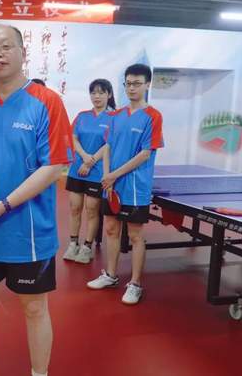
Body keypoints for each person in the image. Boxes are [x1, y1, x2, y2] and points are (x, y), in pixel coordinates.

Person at [0, 25, 73, 376]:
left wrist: (5, 204)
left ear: (23, 51)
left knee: (34, 308)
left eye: (5, 46)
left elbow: (54, 166)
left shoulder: (46, 102)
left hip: (30, 233)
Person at [86, 64, 163, 305]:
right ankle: (110, 275)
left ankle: (135, 284)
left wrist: (114, 175)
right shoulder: (116, 116)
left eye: (137, 83)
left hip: (135, 187)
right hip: (113, 184)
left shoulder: (153, 116)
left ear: (147, 84)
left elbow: (145, 154)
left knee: (135, 235)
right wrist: (107, 176)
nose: (131, 88)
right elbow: (108, 146)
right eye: (128, 83)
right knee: (111, 229)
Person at [62, 79, 116, 264]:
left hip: (97, 172)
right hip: (77, 170)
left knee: (92, 210)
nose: (97, 96)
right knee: (75, 208)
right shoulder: (82, 116)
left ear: (109, 94)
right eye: (93, 93)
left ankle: (87, 247)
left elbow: (109, 145)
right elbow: (73, 138)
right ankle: (73, 244)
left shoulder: (113, 118)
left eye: (101, 92)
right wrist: (84, 157)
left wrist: (90, 161)